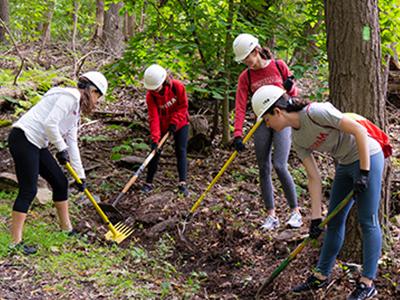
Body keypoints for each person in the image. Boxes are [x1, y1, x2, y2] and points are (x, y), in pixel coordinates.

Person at [251, 85, 384, 300]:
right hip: (344, 164)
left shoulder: (316, 112)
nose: (267, 125)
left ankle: (367, 283)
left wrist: (364, 172)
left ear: (277, 111)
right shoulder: (298, 140)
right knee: (333, 221)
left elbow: (359, 130)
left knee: (367, 220)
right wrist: (315, 218)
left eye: (266, 120)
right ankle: (321, 275)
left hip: (368, 155)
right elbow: (314, 177)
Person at [8, 71, 108, 255]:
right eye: (98, 96)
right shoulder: (69, 97)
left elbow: (72, 143)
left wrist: (80, 175)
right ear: (92, 90)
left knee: (60, 182)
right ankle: (15, 243)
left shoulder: (75, 111)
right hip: (23, 138)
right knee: (29, 190)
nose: (97, 101)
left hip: (37, 143)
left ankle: (66, 229)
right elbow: (50, 123)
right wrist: (60, 149)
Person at [232, 33, 301, 230]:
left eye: (248, 58)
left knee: (280, 164)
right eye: (244, 60)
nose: (247, 63)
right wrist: (238, 133)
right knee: (264, 167)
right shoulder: (246, 76)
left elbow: (293, 97)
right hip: (262, 122)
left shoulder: (279, 66)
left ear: (256, 51)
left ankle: (295, 211)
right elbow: (240, 105)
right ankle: (271, 215)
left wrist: (290, 87)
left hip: (283, 119)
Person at [142, 64, 189, 196]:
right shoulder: (150, 96)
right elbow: (154, 118)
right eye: (152, 89)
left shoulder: (177, 87)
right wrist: (155, 139)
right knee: (155, 152)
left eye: (156, 87)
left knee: (180, 150)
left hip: (180, 123)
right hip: (162, 126)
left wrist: (174, 122)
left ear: (163, 81)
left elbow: (183, 106)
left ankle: (182, 183)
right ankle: (148, 182)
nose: (155, 91)